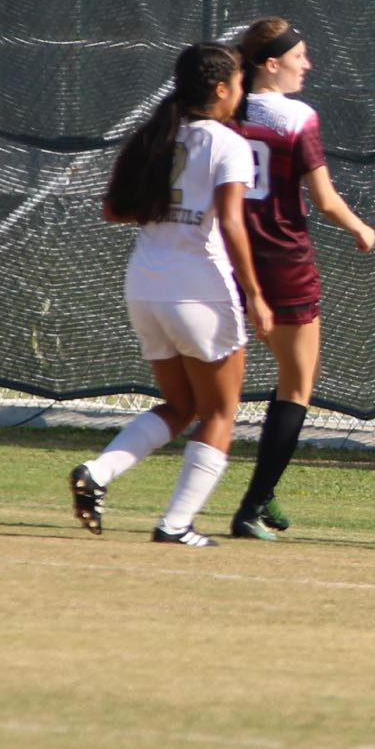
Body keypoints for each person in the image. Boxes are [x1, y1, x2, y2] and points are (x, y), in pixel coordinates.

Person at [68, 42, 272, 546]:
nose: (240, 95)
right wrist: (256, 293)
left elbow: (114, 209)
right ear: (220, 89)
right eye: (239, 85)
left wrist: (165, 209)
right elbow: (230, 222)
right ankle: (176, 524)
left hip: (146, 284)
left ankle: (97, 472)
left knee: (181, 405)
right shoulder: (227, 143)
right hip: (199, 287)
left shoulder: (155, 136)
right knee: (221, 412)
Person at [224, 17, 375, 540]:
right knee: (295, 387)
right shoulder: (296, 117)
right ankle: (250, 504)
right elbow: (326, 201)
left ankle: (259, 494)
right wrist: (361, 228)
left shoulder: (222, 111)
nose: (307, 65)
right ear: (272, 63)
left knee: (206, 391)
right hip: (281, 260)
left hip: (221, 256)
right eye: (300, 56)